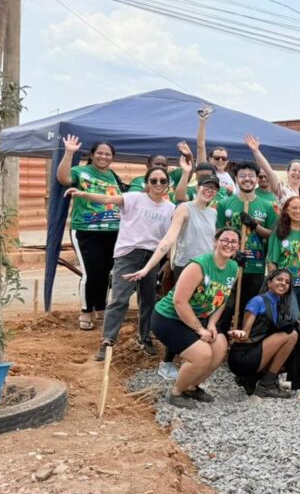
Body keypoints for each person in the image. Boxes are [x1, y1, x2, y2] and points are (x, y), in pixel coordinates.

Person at [66, 166, 175, 360]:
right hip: (128, 254)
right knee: (119, 299)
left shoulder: (170, 208)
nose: (158, 184)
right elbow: (107, 199)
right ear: (147, 183)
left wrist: (167, 260)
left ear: (167, 184)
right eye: (154, 180)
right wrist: (83, 194)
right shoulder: (134, 198)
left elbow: (170, 237)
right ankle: (107, 340)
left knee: (148, 299)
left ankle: (145, 337)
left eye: (162, 181)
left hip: (152, 257)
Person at [126, 160, 220, 379]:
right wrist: (148, 267)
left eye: (214, 188)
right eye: (206, 186)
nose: (209, 190)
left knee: (200, 312)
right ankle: (167, 361)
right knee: (180, 313)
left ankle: (193, 356)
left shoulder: (213, 213)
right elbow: (169, 239)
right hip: (186, 267)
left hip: (207, 270)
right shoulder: (184, 209)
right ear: (198, 187)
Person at [151, 227, 240, 408]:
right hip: (169, 318)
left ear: (238, 246)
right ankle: (176, 392)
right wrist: (200, 329)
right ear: (215, 242)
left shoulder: (233, 268)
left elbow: (222, 298)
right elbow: (179, 302)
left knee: (220, 346)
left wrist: (212, 324)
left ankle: (191, 386)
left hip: (198, 318)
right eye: (224, 240)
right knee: (202, 354)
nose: (228, 244)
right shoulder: (199, 266)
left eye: (233, 242)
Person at [56, 135, 122, 331]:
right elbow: (63, 178)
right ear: (92, 155)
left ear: (112, 157)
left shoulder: (113, 177)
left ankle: (101, 308)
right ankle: (86, 311)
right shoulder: (81, 171)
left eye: (108, 154)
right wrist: (69, 153)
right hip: (86, 231)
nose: (103, 157)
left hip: (112, 231)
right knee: (91, 273)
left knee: (105, 273)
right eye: (100, 153)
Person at [216, 162, 278, 331]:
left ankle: (242, 340)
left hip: (256, 267)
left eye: (251, 176)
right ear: (236, 179)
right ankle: (221, 340)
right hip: (230, 265)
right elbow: (218, 234)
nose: (247, 179)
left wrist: (255, 225)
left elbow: (272, 235)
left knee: (249, 309)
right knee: (226, 307)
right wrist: (232, 254)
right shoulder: (225, 204)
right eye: (242, 176)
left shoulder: (267, 206)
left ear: (257, 179)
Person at [227, 269, 298, 399]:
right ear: (269, 283)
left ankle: (252, 378)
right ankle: (266, 385)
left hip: (258, 351)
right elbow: (246, 332)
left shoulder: (280, 304)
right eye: (279, 279)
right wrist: (239, 334)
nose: (283, 283)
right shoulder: (258, 301)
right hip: (243, 356)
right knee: (292, 335)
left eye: (287, 282)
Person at [266, 195, 300, 321]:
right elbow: (272, 261)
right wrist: (274, 286)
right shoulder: (279, 231)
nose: (298, 211)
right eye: (294, 208)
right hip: (286, 285)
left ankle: (298, 335)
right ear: (287, 210)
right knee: (291, 317)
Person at [246, 133, 300, 207]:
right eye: (294, 170)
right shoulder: (282, 189)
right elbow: (269, 172)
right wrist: (256, 151)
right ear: (288, 172)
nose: (297, 173)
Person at [195, 108, 237, 195]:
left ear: (228, 160)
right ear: (210, 159)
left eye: (224, 158)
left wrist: (229, 193)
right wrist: (202, 121)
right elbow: (200, 146)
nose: (220, 160)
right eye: (217, 158)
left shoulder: (232, 176)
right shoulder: (206, 171)